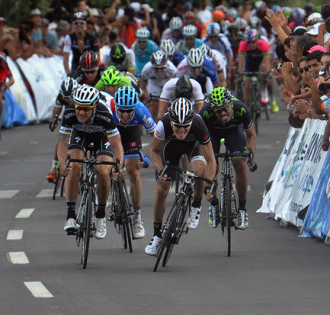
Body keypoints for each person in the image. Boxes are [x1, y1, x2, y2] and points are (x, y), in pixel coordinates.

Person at [145, 98, 216, 256]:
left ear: (191, 122)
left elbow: (211, 160)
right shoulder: (162, 124)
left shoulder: (198, 124)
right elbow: (154, 152)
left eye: (185, 127)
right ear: (171, 122)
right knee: (162, 189)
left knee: (200, 168)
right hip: (170, 149)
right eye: (177, 127)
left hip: (193, 147)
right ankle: (156, 235)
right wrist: (161, 170)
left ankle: (196, 205)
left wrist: (208, 186)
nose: (182, 131)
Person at [58, 85, 125, 239]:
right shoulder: (69, 113)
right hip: (80, 135)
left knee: (102, 171)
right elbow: (62, 143)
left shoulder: (104, 114)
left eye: (86, 109)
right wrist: (63, 164)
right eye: (78, 107)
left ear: (94, 108)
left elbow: (117, 144)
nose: (81, 112)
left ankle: (100, 215)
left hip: (102, 137)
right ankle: (70, 216)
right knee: (74, 166)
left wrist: (118, 166)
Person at [200, 87, 256, 230]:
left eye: (225, 109)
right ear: (212, 110)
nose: (223, 113)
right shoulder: (205, 113)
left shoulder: (242, 109)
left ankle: (242, 209)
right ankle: (213, 205)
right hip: (212, 134)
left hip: (234, 132)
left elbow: (251, 135)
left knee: (239, 163)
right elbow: (200, 138)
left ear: (231, 104)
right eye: (218, 111)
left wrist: (250, 156)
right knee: (213, 166)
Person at [112, 86, 157, 239]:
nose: (125, 114)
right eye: (121, 110)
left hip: (131, 135)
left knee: (134, 172)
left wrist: (148, 157)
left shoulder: (140, 110)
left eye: (128, 111)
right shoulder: (110, 109)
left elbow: (157, 138)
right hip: (113, 134)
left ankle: (137, 217)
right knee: (107, 166)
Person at [46, 77, 78, 182]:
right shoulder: (61, 97)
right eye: (66, 97)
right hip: (67, 116)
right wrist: (53, 122)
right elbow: (56, 112)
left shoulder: (80, 93)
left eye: (70, 97)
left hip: (80, 114)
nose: (68, 100)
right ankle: (53, 168)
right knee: (62, 140)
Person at [237, 29, 272, 108]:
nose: (250, 44)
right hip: (249, 63)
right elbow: (241, 62)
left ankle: (263, 89)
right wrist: (240, 73)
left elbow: (267, 62)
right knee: (246, 86)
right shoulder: (243, 45)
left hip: (260, 61)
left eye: (253, 42)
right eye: (248, 42)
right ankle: (246, 108)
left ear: (257, 40)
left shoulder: (263, 44)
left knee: (264, 69)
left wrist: (267, 73)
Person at [140, 50, 177, 119]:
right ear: (152, 66)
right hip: (154, 84)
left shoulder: (172, 70)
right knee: (153, 104)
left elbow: (175, 85)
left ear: (166, 65)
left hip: (167, 83)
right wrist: (147, 98)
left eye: (162, 68)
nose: (159, 71)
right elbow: (143, 86)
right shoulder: (146, 70)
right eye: (156, 68)